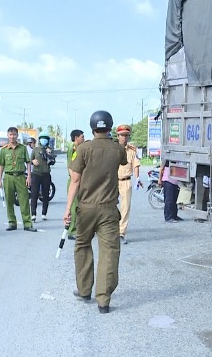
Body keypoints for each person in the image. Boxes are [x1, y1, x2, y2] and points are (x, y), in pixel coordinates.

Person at [63, 110, 127, 314]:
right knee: (109, 252)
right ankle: (104, 300)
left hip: (86, 209)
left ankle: (84, 290)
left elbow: (75, 180)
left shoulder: (83, 149)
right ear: (109, 127)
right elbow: (123, 162)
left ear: (92, 127)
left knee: (82, 246)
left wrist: (68, 209)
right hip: (108, 209)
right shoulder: (118, 149)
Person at [0, 126, 35, 232]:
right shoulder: (4, 150)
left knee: (24, 200)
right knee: (9, 200)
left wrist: (29, 177)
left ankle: (27, 223)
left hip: (20, 176)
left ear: (17, 136)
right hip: (8, 177)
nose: (12, 137)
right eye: (10, 134)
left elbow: (28, 162)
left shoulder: (22, 148)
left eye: (14, 134)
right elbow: (1, 165)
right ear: (7, 136)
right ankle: (12, 222)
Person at [115, 124, 141, 244]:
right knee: (109, 206)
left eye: (126, 135)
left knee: (125, 208)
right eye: (122, 135)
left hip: (126, 181)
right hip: (113, 181)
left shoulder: (132, 151)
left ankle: (121, 233)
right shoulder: (113, 149)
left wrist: (137, 178)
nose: (124, 138)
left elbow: (135, 165)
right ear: (118, 136)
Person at [66, 129, 85, 240]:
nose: (83, 138)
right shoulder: (73, 148)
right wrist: (74, 179)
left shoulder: (79, 148)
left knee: (79, 206)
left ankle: (78, 229)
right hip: (74, 180)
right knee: (74, 206)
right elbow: (70, 166)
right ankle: (72, 231)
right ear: (76, 138)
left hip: (79, 180)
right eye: (82, 136)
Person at [30, 133, 53, 221]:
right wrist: (33, 161)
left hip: (46, 174)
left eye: (45, 139)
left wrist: (49, 154)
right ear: (39, 140)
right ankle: (33, 214)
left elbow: (52, 161)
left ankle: (44, 213)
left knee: (45, 194)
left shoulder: (50, 149)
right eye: (42, 138)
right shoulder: (35, 149)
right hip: (36, 174)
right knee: (34, 194)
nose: (44, 140)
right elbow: (30, 159)